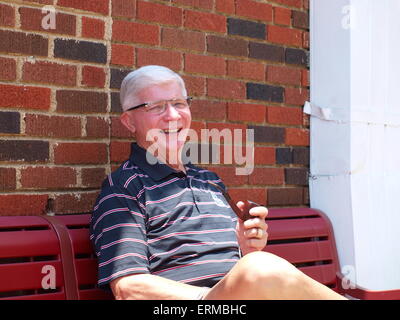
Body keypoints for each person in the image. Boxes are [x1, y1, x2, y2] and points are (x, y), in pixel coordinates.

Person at [89, 65, 346, 300]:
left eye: (179, 103)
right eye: (155, 106)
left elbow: (237, 268)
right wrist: (211, 299)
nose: (172, 115)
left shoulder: (209, 181)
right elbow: (128, 288)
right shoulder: (124, 188)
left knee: (259, 266)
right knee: (261, 268)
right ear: (129, 121)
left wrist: (247, 246)